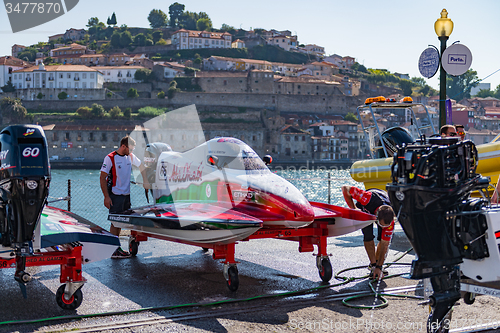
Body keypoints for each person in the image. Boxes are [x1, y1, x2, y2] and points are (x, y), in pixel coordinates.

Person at [100, 136, 149, 258]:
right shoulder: (110, 158)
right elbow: (102, 178)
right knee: (115, 222)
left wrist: (146, 181)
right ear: (123, 146)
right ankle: (114, 249)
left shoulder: (130, 156)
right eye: (130, 149)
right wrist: (106, 197)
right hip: (115, 195)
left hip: (126, 196)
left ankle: (116, 247)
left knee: (121, 222)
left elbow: (142, 166)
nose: (131, 151)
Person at [342, 185, 395, 279]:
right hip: (366, 207)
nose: (384, 228)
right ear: (376, 218)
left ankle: (377, 267)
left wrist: (379, 267)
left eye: (385, 226)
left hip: (383, 207)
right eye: (382, 225)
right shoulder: (367, 197)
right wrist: (353, 208)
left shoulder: (390, 220)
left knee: (383, 239)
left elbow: (385, 244)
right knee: (368, 236)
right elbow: (345, 188)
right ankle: (372, 264)